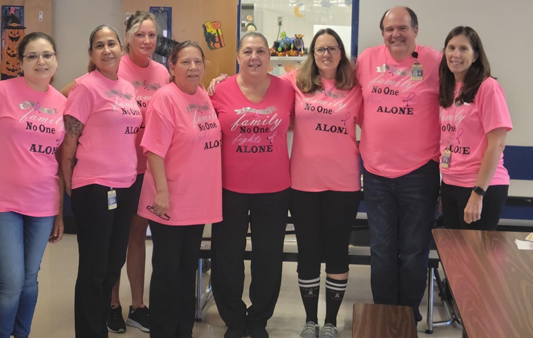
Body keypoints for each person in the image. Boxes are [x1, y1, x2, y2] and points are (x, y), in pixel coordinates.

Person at [0, 32, 66, 338]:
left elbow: (60, 162)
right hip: (1, 202)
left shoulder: (63, 103)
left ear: (56, 60)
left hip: (43, 203)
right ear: (19, 62)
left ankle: (21, 334)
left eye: (47, 54)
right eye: (32, 56)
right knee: (10, 280)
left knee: (29, 279)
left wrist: (59, 212)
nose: (41, 61)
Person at [356, 6, 441, 322]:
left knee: (414, 251)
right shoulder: (367, 59)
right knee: (381, 251)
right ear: (382, 33)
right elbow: (331, 78)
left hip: (420, 172)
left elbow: (468, 84)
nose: (396, 34)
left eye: (402, 28)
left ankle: (407, 316)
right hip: (376, 173)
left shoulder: (435, 61)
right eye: (390, 29)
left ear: (416, 30)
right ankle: (385, 315)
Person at [210, 32, 294, 338]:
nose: (254, 57)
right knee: (227, 257)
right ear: (237, 56)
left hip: (274, 189)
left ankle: (258, 319)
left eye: (260, 51)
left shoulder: (287, 89)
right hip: (229, 188)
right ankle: (234, 319)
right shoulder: (219, 90)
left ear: (270, 57)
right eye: (247, 51)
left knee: (268, 257)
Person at [61, 25, 143, 338]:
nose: (107, 49)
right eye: (99, 45)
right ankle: (90, 331)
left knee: (113, 262)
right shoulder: (85, 87)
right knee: (94, 266)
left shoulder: (126, 86)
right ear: (91, 54)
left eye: (111, 43)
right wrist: (70, 183)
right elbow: (69, 143)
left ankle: (98, 325)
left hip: (126, 184)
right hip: (95, 186)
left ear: (121, 49)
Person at [137, 40, 222, 338]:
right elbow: (154, 151)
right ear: (171, 67)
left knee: (188, 272)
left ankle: (183, 330)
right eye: (185, 62)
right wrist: (162, 192)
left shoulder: (202, 95)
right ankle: (162, 331)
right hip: (169, 201)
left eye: (198, 61)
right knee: (167, 273)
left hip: (196, 202)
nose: (193, 67)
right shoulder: (165, 98)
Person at [287, 29, 363, 338]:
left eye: (332, 49)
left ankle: (330, 321)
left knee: (336, 252)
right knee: (307, 251)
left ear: (341, 53)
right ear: (312, 54)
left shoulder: (356, 88)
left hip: (343, 185)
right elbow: (258, 85)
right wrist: (221, 80)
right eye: (320, 49)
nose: (326, 54)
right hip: (303, 183)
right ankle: (310, 320)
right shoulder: (295, 82)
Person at [104, 11, 169, 334]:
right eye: (140, 35)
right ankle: (112, 304)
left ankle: (138, 306)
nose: (147, 41)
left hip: (150, 166)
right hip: (119, 168)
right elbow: (75, 91)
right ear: (127, 37)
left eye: (152, 36)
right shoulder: (115, 67)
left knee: (137, 237)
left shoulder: (162, 72)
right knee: (117, 238)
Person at [438, 26, 512, 230]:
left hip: (479, 186)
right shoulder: (449, 89)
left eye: (464, 49)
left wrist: (478, 193)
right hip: (451, 183)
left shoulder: (487, 87)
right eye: (451, 48)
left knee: (474, 259)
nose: (456, 55)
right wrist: (446, 186)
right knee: (453, 257)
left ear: (476, 55)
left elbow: (497, 144)